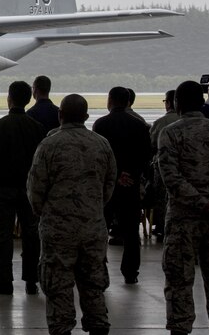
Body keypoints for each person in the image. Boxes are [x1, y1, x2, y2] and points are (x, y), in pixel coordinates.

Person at [27, 94, 116, 335]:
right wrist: (92, 208)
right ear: (86, 117)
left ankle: (62, 328)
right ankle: (98, 326)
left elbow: (36, 189)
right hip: (93, 227)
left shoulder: (49, 145)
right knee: (94, 284)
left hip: (58, 228)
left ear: (60, 115)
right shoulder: (101, 144)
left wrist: (46, 213)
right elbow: (109, 185)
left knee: (58, 286)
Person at [158, 79, 209, 335]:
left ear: (178, 103)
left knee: (179, 279)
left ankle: (181, 327)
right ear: (202, 102)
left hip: (184, 220)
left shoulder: (170, 133)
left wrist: (200, 203)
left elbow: (170, 177)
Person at [0, 80, 45, 296]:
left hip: (3, 187)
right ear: (28, 99)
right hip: (28, 189)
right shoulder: (36, 128)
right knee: (31, 234)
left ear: (9, 98)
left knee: (3, 235)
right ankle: (31, 280)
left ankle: (4, 281)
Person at [91, 86, 152, 284]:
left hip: (107, 186)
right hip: (131, 184)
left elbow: (99, 156)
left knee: (101, 229)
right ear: (128, 102)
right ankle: (130, 272)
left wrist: (114, 176)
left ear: (109, 100)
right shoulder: (139, 125)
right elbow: (146, 156)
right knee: (131, 232)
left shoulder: (100, 124)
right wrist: (130, 175)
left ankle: (99, 268)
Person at [149, 89, 181, 239]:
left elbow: (151, 145)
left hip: (163, 168)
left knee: (161, 198)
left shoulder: (160, 123)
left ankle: (161, 227)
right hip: (186, 169)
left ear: (168, 103)